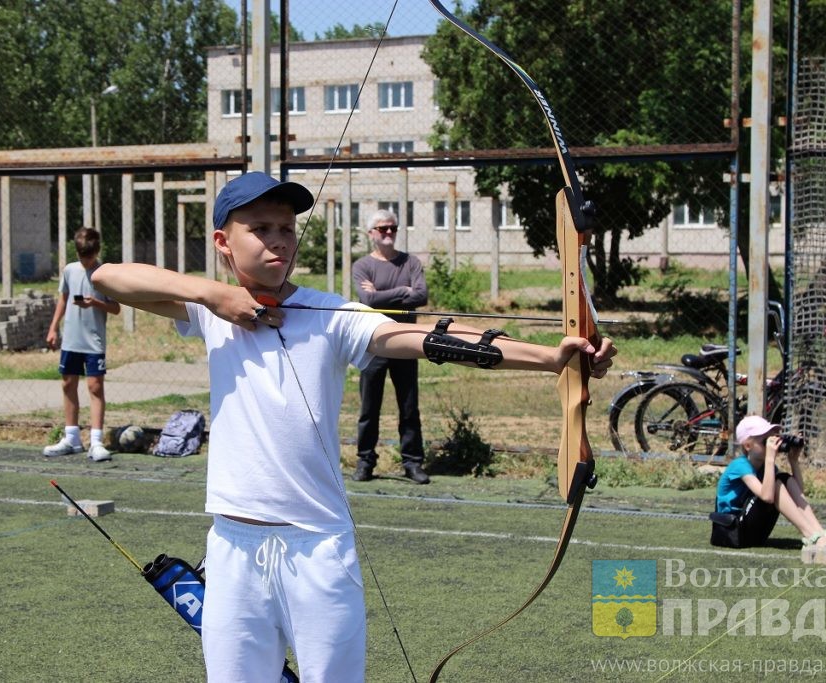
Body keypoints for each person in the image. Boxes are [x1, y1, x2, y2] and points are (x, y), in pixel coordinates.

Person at [90, 172, 616, 683]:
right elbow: (107, 277)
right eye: (261, 229)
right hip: (233, 544)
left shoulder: (331, 313)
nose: (279, 240)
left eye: (287, 228)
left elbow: (424, 340)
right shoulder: (207, 312)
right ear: (225, 241)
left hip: (318, 547)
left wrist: (549, 357)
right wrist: (213, 295)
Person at [351, 208, 430, 484]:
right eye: (382, 228)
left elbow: (421, 295)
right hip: (373, 343)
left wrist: (384, 295)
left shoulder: (411, 262)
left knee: (409, 406)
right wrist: (402, 292)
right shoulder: (361, 265)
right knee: (369, 407)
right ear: (371, 233)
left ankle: (412, 462)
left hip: (407, 341)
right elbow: (368, 301)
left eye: (392, 228)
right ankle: (365, 461)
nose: (388, 233)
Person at [713, 415, 826, 549]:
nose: (772, 445)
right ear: (748, 445)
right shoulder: (740, 465)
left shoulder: (766, 468)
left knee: (783, 477)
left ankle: (819, 533)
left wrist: (793, 461)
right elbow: (767, 496)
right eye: (765, 441)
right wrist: (770, 459)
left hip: (755, 533)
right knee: (776, 483)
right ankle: (811, 535)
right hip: (734, 532)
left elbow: (798, 494)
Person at [43, 227, 121, 462]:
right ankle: (72, 437)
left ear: (96, 251)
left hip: (94, 340)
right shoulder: (69, 270)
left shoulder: (104, 274)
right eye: (81, 256)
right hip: (71, 339)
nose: (84, 261)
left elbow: (116, 308)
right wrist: (53, 327)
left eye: (88, 256)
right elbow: (64, 298)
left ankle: (96, 441)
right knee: (68, 383)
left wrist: (96, 303)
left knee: (95, 387)